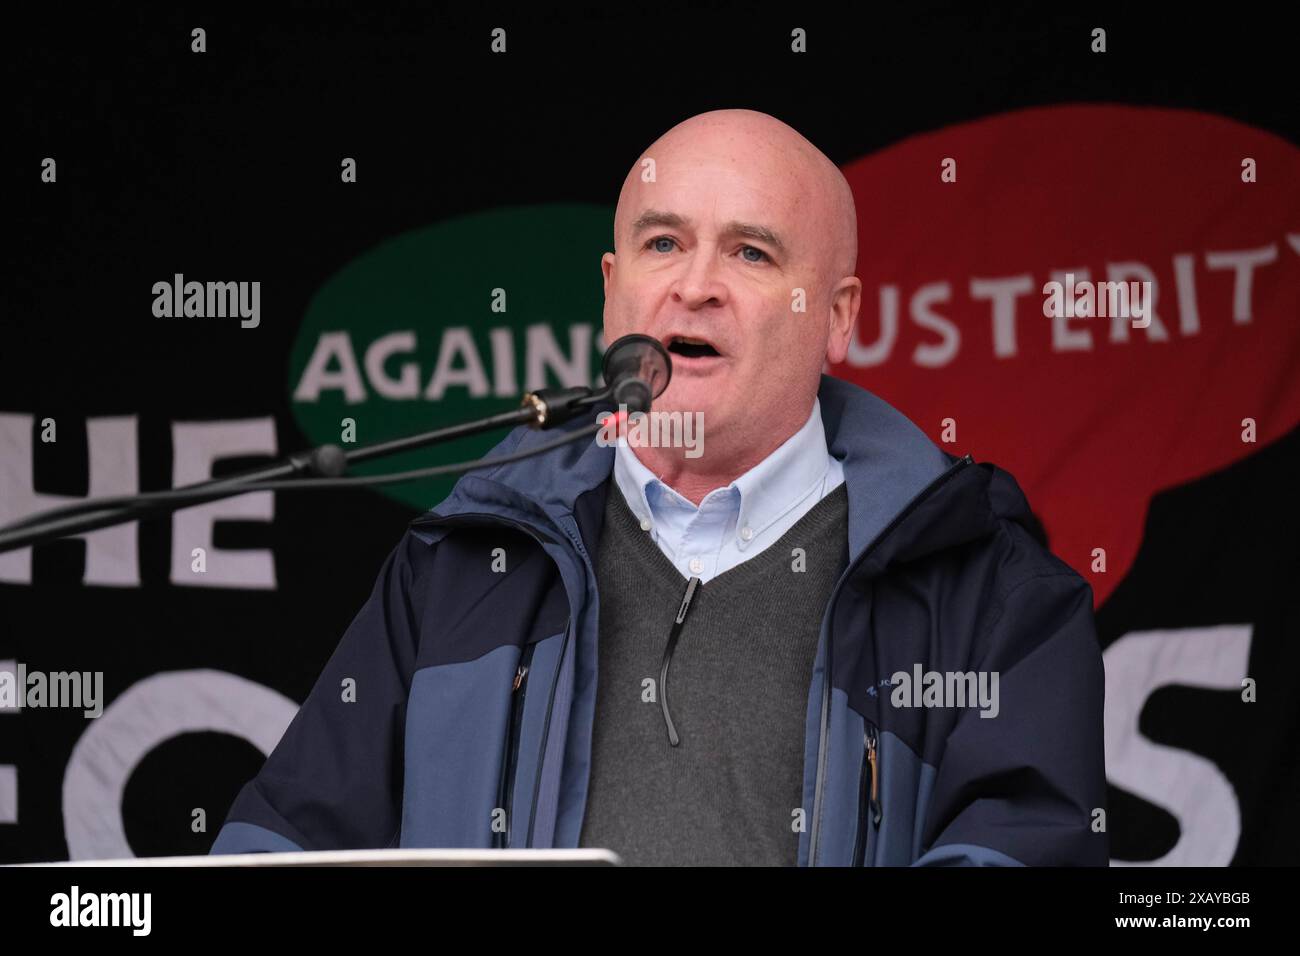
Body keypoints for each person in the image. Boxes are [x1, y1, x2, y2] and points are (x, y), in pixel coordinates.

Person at [211, 109, 1107, 866]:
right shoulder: (463, 562)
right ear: (612, 291)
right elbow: (282, 843)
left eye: (752, 254)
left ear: (837, 317)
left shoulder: (989, 590)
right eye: (663, 242)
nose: (695, 286)